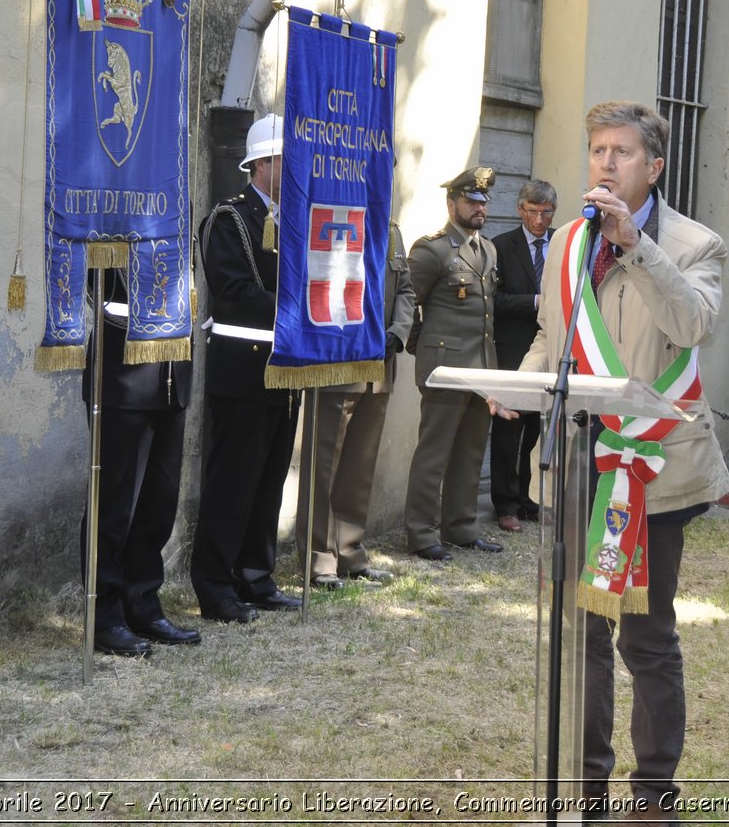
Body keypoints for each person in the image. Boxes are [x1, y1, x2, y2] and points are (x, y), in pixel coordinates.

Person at [510, 101, 729, 822]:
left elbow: (693, 323)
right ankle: (586, 788)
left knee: (645, 630)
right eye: (598, 149)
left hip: (653, 465)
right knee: (582, 630)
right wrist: (517, 385)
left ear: (655, 166)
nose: (605, 163)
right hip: (579, 456)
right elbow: (555, 336)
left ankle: (655, 793)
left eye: (622, 152)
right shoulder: (569, 242)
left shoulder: (697, 245)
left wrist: (638, 246)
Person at [189, 114, 301, 621]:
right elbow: (234, 294)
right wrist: (298, 308)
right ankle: (216, 586)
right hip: (241, 371)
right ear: (260, 163)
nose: (292, 165)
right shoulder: (227, 218)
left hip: (282, 371)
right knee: (231, 483)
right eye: (284, 157)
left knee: (269, 480)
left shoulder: (294, 217)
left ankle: (256, 576)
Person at [80, 269, 199, 656]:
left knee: (158, 505)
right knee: (114, 506)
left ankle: (143, 603)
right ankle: (104, 614)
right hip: (124, 376)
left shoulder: (176, 217)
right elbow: (98, 289)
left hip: (171, 372)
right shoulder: (112, 213)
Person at [296, 223, 415, 589]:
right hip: (340, 359)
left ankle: (349, 552)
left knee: (359, 466)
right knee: (324, 465)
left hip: (380, 363)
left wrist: (399, 330)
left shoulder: (392, 230)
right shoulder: (336, 216)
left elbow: (406, 289)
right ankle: (319, 560)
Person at [404, 165, 502, 561]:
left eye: (482, 202)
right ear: (452, 204)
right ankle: (422, 534)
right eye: (470, 201)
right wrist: (421, 347)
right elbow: (408, 303)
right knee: (435, 451)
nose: (478, 208)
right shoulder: (432, 249)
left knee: (471, 449)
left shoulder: (488, 249)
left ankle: (461, 527)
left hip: (480, 366)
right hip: (445, 367)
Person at [488, 179, 557, 532]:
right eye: (534, 212)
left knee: (536, 430)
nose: (541, 220)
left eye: (547, 213)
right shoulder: (500, 247)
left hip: (551, 353)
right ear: (520, 210)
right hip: (513, 352)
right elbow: (494, 302)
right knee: (507, 433)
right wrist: (534, 303)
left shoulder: (562, 246)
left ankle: (530, 499)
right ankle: (505, 504)